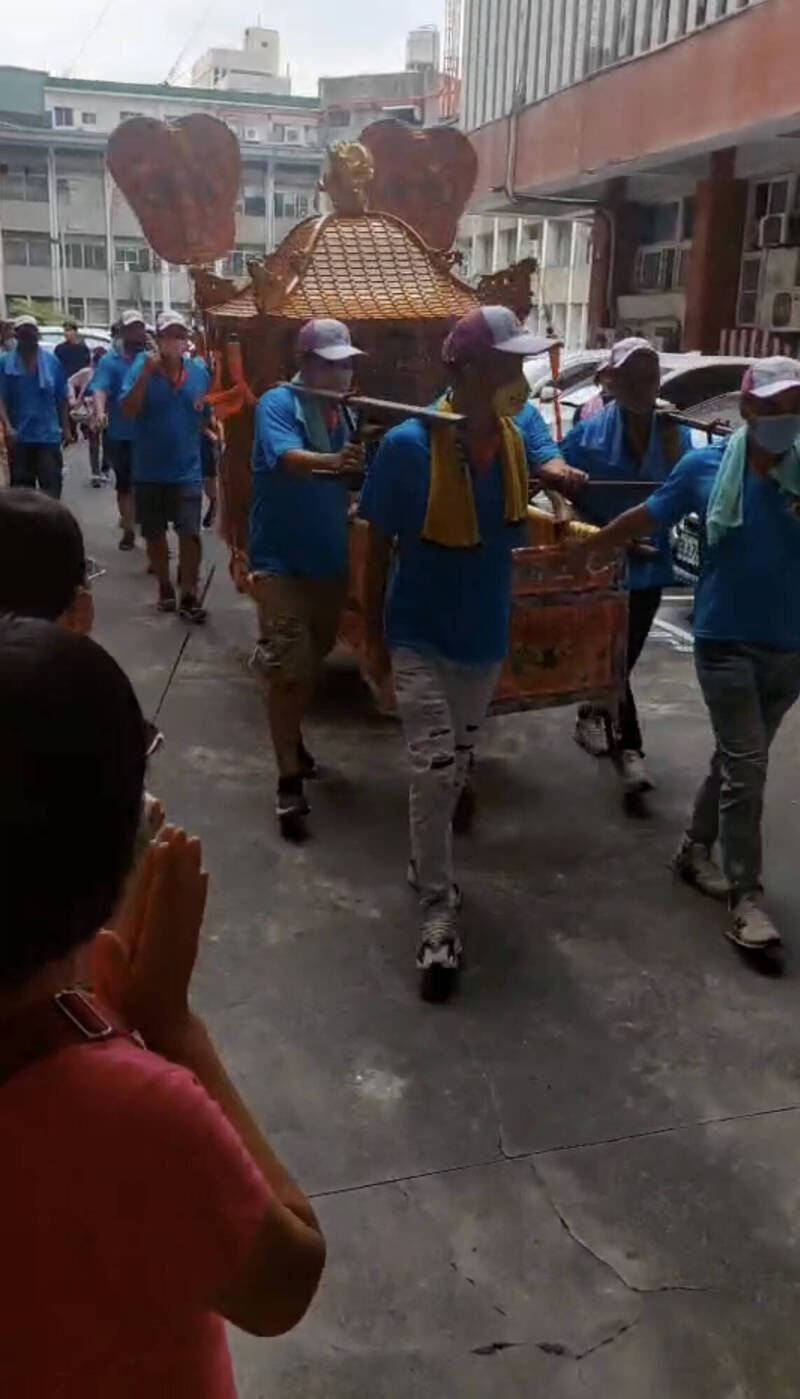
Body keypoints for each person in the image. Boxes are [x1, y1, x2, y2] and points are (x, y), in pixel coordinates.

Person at [0, 617, 326, 1398]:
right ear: (104, 852)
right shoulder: (131, 1113)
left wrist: (100, 983)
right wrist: (172, 1024)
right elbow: (286, 1280)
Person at [359, 306, 586, 1002]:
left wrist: (562, 480)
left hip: (483, 632)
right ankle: (437, 911)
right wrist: (372, 632)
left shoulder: (519, 438)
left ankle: (423, 858)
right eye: (504, 363)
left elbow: (549, 466)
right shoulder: (406, 446)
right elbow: (376, 543)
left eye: (520, 363)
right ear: (464, 370)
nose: (516, 376)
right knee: (432, 766)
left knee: (456, 764)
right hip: (419, 631)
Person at [571, 357, 800, 954]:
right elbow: (649, 514)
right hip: (726, 642)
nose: (787, 419)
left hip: (790, 648)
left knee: (735, 759)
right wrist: (593, 544)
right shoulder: (706, 466)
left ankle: (693, 850)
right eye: (776, 407)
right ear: (748, 409)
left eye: (796, 407)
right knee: (747, 766)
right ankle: (746, 899)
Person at [561, 337, 693, 798]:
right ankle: (630, 749)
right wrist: (588, 530)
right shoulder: (587, 434)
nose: (642, 386)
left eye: (650, 377)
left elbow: (686, 490)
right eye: (631, 377)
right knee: (614, 658)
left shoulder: (676, 431)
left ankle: (591, 712)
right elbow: (556, 484)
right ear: (611, 381)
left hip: (652, 565)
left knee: (622, 657)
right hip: (605, 562)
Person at [249, 317, 366, 834]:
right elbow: (290, 459)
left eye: (346, 365)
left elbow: (352, 484)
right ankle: (288, 782)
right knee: (292, 669)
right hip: (279, 564)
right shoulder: (279, 403)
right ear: (306, 363)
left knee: (310, 662)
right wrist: (336, 463)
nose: (342, 374)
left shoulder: (347, 415)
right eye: (331, 364)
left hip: (329, 564)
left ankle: (290, 734)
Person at [120, 310, 210, 622]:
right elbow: (128, 410)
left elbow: (205, 413)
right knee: (155, 534)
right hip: (149, 471)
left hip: (187, 470)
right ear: (157, 341)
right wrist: (145, 375)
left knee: (190, 533)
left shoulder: (199, 373)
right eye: (169, 335)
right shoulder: (140, 367)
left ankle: (189, 592)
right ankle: (165, 586)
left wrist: (211, 430)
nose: (175, 341)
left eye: (180, 336)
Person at [90, 309, 147, 549]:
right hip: (120, 433)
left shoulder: (151, 358)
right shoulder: (109, 360)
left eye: (140, 328)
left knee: (146, 484)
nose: (137, 333)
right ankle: (128, 528)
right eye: (132, 328)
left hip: (148, 435)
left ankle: (150, 531)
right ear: (122, 331)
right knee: (124, 483)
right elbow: (100, 388)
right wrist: (100, 412)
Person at [0, 314, 70, 499]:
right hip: (19, 436)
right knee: (22, 494)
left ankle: (50, 527)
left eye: (30, 333)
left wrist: (66, 429)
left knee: (51, 489)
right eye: (23, 334)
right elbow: (2, 398)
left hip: (48, 435)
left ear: (36, 335)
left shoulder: (51, 362)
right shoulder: (6, 363)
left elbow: (62, 398)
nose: (27, 338)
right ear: (17, 336)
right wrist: (7, 427)